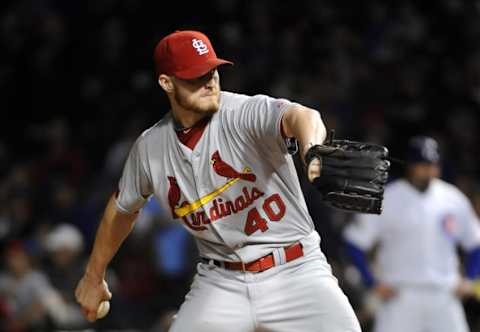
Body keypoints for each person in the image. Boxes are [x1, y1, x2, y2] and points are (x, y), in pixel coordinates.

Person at [75, 30, 361, 332]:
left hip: (295, 269)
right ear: (166, 83)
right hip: (221, 281)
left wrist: (313, 151)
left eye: (211, 71)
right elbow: (121, 210)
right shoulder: (149, 150)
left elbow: (302, 116)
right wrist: (94, 276)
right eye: (195, 75)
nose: (209, 81)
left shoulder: (243, 113)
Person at [343, 136, 480, 332]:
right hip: (400, 294)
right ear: (411, 166)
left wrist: (469, 278)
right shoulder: (388, 197)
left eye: (431, 165)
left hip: (444, 294)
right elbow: (355, 242)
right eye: (422, 165)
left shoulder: (453, 198)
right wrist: (371, 282)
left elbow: (475, 243)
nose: (427, 171)